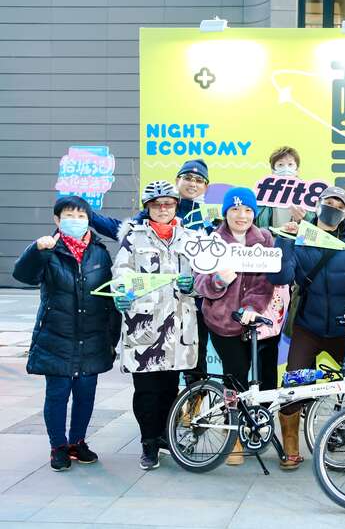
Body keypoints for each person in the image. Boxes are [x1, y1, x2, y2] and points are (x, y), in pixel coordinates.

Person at [269, 186, 345, 470]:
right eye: (329, 203)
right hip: (308, 327)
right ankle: (291, 446)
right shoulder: (300, 240)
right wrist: (285, 240)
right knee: (294, 384)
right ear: (317, 206)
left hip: (344, 329)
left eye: (339, 206)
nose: (333, 209)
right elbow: (280, 276)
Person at [13, 196, 119, 471]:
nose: (76, 220)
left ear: (89, 220)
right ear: (57, 220)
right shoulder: (49, 248)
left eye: (81, 216)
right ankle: (58, 446)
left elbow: (109, 294)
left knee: (86, 394)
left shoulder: (100, 251)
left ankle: (77, 442)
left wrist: (112, 336)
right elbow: (23, 275)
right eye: (69, 216)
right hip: (57, 334)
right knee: (58, 394)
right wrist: (36, 250)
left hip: (92, 335)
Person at [90, 159, 213, 383]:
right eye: (187, 178)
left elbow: (210, 265)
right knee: (154, 382)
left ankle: (191, 404)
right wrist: (88, 215)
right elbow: (124, 257)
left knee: (195, 370)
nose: (163, 209)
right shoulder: (142, 225)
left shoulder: (208, 219)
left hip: (190, 311)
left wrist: (196, 285)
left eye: (199, 180)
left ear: (206, 186)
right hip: (152, 311)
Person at [112, 180, 199, 471]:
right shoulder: (133, 238)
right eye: (157, 205)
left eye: (168, 204)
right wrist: (121, 293)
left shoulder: (189, 238)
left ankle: (164, 435)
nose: (163, 209)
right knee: (146, 391)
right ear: (148, 208)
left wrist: (192, 285)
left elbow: (203, 276)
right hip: (145, 326)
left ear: (176, 206)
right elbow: (120, 273)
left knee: (169, 388)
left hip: (178, 326)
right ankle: (148, 442)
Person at [194, 187, 281, 466]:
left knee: (265, 376)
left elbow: (266, 281)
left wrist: (252, 307)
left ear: (254, 212)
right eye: (234, 209)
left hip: (257, 322)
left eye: (246, 210)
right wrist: (219, 280)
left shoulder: (265, 239)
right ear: (225, 213)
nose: (241, 215)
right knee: (236, 377)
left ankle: (258, 424)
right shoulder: (213, 240)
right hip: (222, 322)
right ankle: (233, 433)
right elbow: (200, 281)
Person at [254, 146, 316, 228]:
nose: (286, 168)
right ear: (273, 170)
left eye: (290, 164)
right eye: (280, 165)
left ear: (297, 170)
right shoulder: (262, 194)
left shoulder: (309, 195)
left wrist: (304, 218)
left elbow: (316, 225)